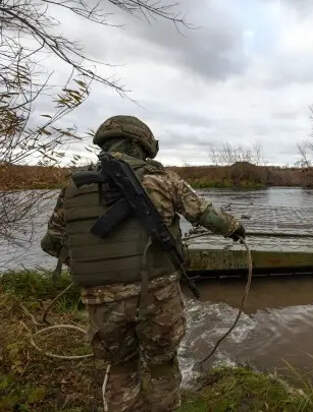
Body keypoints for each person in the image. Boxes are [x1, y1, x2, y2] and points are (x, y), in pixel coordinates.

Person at [41, 115, 245, 411]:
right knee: (162, 365)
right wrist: (236, 229)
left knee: (121, 367)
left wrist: (89, 264)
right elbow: (206, 215)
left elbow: (51, 242)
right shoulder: (164, 180)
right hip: (157, 294)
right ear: (142, 144)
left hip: (101, 299)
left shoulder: (73, 186)